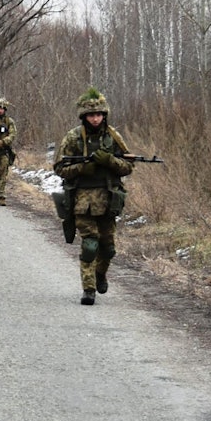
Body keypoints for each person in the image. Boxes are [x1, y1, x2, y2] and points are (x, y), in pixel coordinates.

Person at [54, 87, 134, 306]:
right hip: (82, 201)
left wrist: (109, 161)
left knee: (108, 248)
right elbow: (59, 168)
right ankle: (88, 289)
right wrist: (82, 168)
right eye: (91, 115)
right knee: (90, 245)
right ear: (84, 116)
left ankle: (100, 274)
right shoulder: (72, 137)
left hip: (109, 200)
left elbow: (128, 166)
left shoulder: (113, 136)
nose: (95, 118)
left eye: (99, 114)